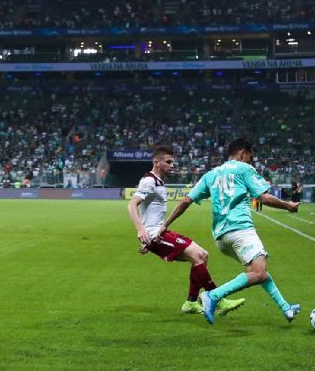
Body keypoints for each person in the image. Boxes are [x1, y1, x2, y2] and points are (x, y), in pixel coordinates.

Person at [159, 138, 301, 325]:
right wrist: (288, 206)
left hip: (221, 238)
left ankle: (285, 308)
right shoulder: (244, 169)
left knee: (258, 271)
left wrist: (165, 224)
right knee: (258, 272)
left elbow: (186, 202)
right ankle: (213, 296)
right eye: (250, 157)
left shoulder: (211, 175)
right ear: (243, 153)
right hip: (241, 230)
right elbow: (263, 197)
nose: (250, 161)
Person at [128, 146, 244, 316]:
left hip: (158, 234)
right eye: (168, 162)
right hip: (154, 235)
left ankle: (190, 302)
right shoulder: (149, 181)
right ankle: (218, 300)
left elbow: (149, 214)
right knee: (197, 256)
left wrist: (149, 240)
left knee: (203, 255)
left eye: (172, 162)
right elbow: (132, 205)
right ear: (156, 162)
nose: (172, 165)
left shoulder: (159, 181)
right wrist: (141, 231)